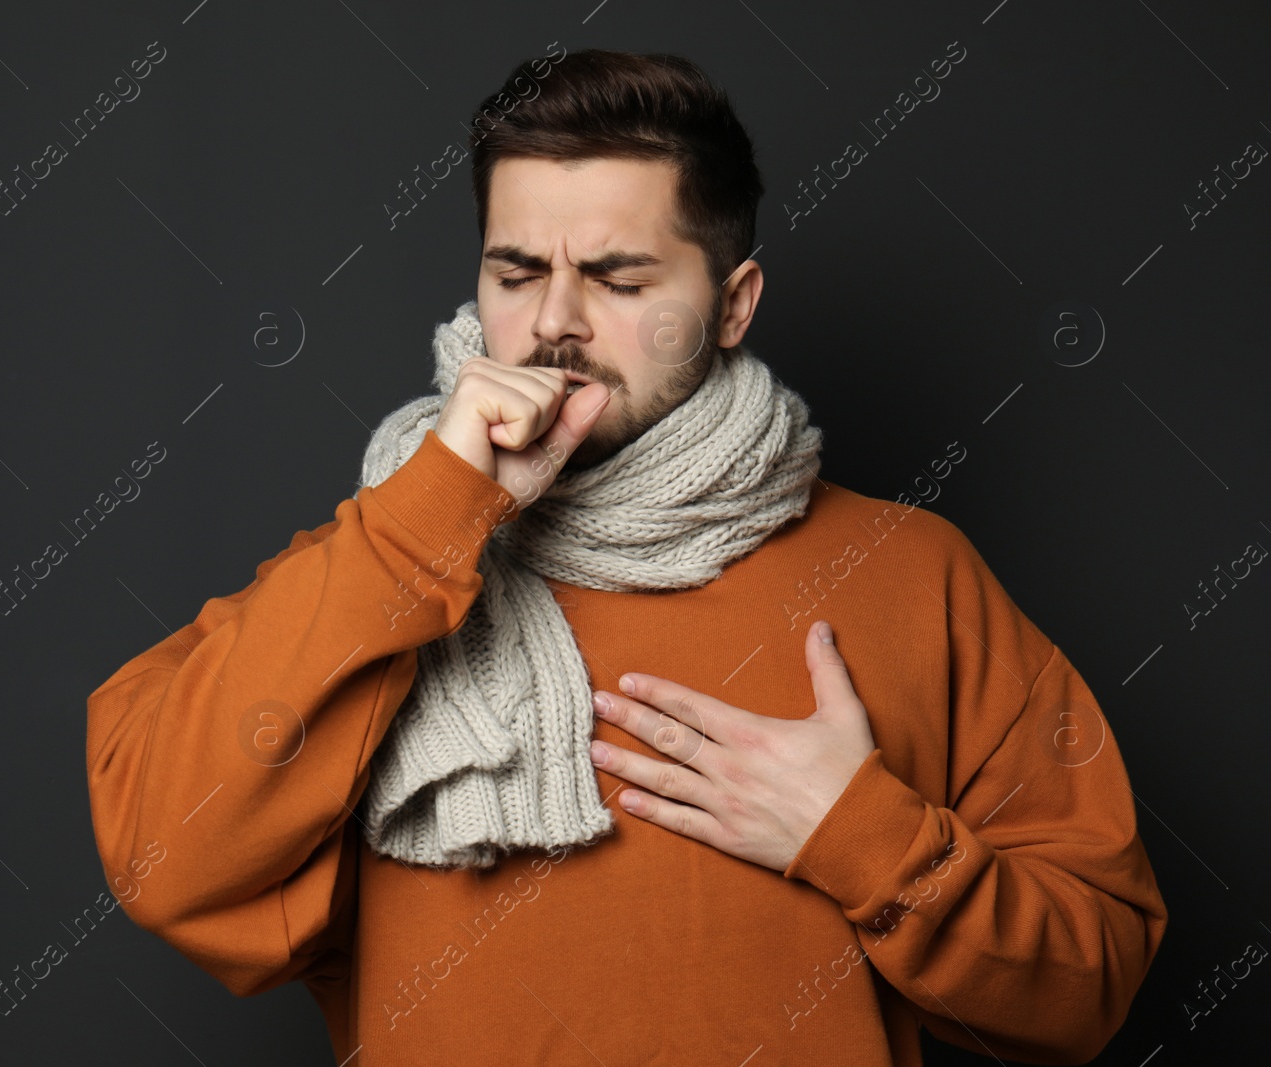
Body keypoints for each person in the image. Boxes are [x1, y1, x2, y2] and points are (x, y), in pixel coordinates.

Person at [85, 48, 1166, 1065]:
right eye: (515, 272)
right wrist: (425, 525)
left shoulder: (910, 572)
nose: (554, 322)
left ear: (731, 304)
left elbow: (1088, 986)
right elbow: (164, 864)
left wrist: (859, 835)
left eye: (618, 278)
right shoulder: (380, 558)